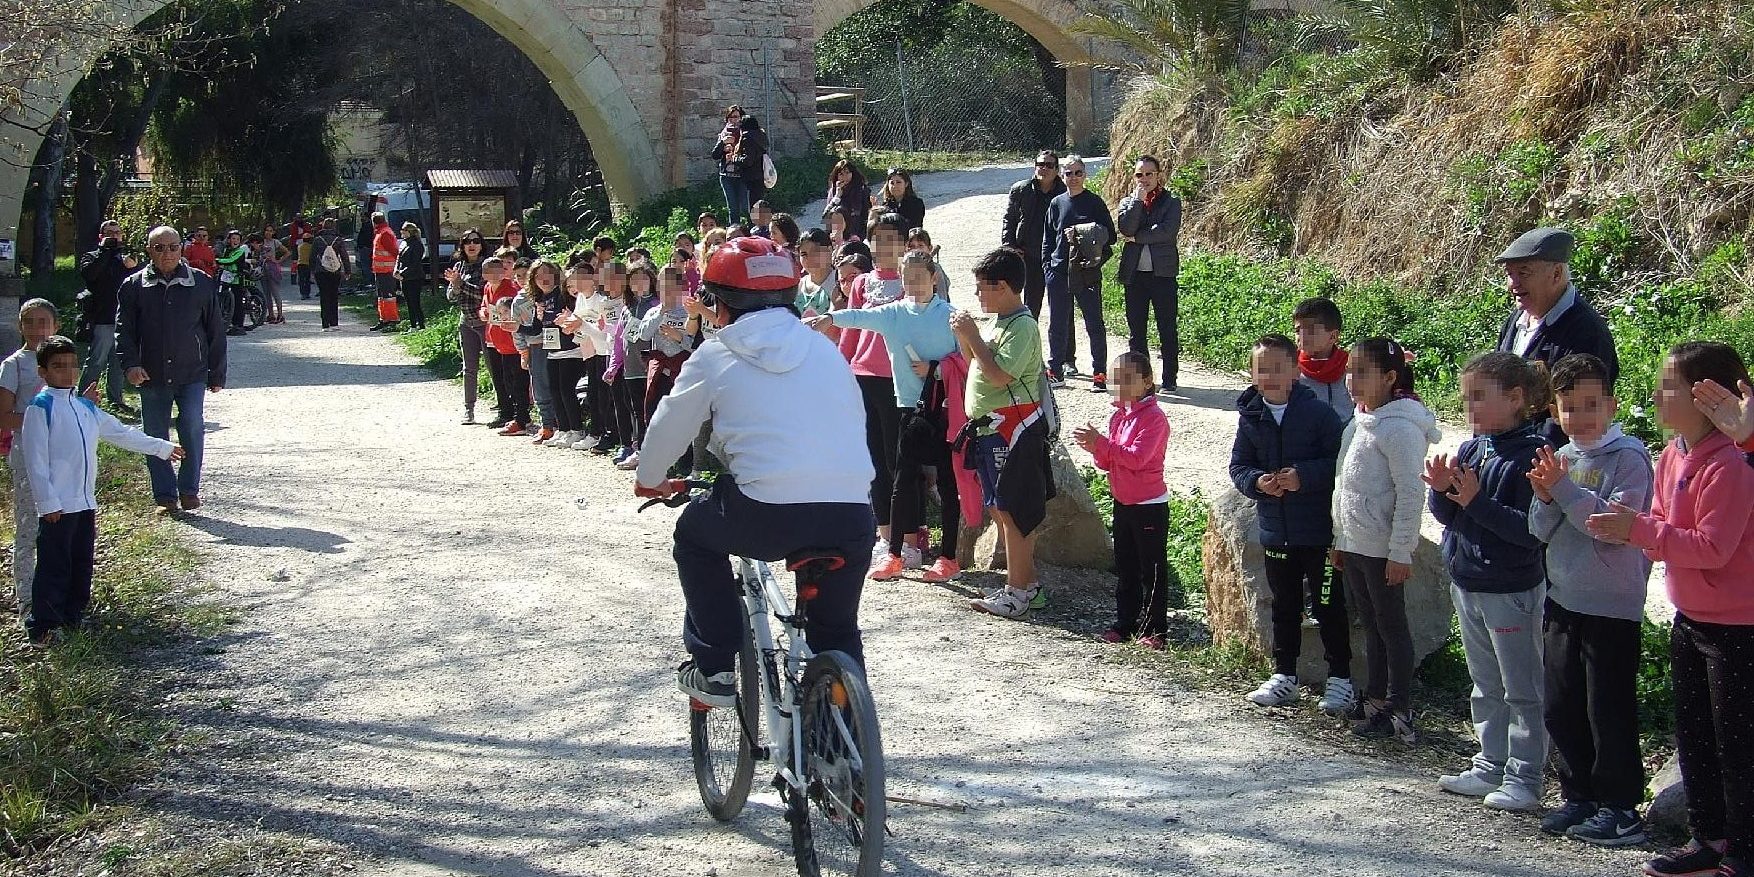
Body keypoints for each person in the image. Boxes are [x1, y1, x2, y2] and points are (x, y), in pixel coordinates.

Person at [633, 235, 876, 707]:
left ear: (719, 305)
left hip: (767, 513)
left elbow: (669, 424)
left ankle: (715, 667)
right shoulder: (826, 350)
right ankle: (845, 739)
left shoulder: (715, 354)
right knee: (836, 629)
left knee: (694, 536)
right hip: (850, 513)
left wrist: (650, 476)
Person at [1586, 343, 1754, 877]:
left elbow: (1712, 547)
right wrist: (1639, 531)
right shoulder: (1672, 454)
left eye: (1669, 386)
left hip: (1738, 628)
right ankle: (1708, 839)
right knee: (1696, 738)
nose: (1656, 395)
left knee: (1738, 746)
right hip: (1690, 618)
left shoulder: (1732, 463)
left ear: (1709, 396)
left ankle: (1745, 852)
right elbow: (1660, 528)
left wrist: (1639, 531)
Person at [1524, 353, 1654, 845]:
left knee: (1608, 710)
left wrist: (1562, 490)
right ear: (1554, 410)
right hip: (1563, 598)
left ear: (1612, 405)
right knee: (1562, 705)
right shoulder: (1561, 458)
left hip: (1611, 606)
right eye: (1569, 407)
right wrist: (1545, 496)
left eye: (1591, 405)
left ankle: (1620, 807)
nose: (1580, 417)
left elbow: (1610, 529)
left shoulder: (1629, 457)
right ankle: (1579, 795)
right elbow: (1539, 530)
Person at [1425, 351, 1552, 807]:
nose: (1469, 407)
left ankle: (1525, 777)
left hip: (1511, 590)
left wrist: (1475, 501)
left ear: (1516, 398)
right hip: (1469, 581)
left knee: (1522, 688)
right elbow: (1450, 518)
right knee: (1485, 683)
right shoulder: (1473, 449)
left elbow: (1529, 533)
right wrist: (1441, 490)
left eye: (1479, 396)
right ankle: (1490, 763)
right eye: (1465, 398)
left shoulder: (1534, 456)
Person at [808, 248, 959, 581]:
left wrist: (935, 369)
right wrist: (829, 319)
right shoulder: (894, 313)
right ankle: (895, 555)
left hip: (944, 409)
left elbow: (968, 360)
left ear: (933, 277)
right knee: (901, 480)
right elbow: (859, 317)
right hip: (907, 407)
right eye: (908, 278)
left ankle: (948, 557)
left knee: (947, 481)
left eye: (919, 277)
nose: (914, 284)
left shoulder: (950, 316)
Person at [20, 337, 182, 644]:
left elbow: (121, 433)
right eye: (58, 367)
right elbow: (35, 461)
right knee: (55, 565)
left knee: (81, 563)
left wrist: (162, 447)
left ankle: (72, 619)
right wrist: (47, 502)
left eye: (72, 366)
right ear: (43, 372)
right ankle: (44, 626)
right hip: (58, 505)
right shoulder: (40, 408)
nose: (67, 372)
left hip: (84, 501)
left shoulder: (84, 407)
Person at [1230, 334, 1352, 711]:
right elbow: (1239, 466)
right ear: (1252, 375)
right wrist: (1258, 483)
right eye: (1261, 370)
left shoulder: (1319, 414)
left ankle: (1341, 679)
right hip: (1276, 532)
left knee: (1328, 604)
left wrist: (1303, 477)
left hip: (1319, 533)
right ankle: (1284, 675)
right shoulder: (1251, 417)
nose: (1269, 377)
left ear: (1295, 371)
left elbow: (1340, 464)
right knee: (1284, 606)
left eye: (1277, 368)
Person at [1331, 337, 1439, 745]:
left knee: (1392, 627)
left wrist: (1400, 551)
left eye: (1362, 373)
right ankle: (1376, 699)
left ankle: (1399, 708)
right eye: (1349, 371)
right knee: (1372, 624)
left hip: (1383, 550)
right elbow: (1343, 484)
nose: (1352, 380)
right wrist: (1340, 537)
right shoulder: (1359, 421)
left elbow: (1411, 493)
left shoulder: (1400, 429)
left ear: (1391, 377)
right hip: (1356, 544)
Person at [959, 247, 1055, 619]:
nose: (977, 294)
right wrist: (966, 337)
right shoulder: (996, 322)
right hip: (988, 430)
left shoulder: (1023, 326)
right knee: (1000, 509)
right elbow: (976, 363)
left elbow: (1001, 375)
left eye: (982, 287)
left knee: (1014, 511)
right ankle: (1027, 586)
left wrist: (972, 335)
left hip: (1013, 431)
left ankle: (1016, 593)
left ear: (1002, 286)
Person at [115, 225, 227, 515]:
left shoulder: (200, 283)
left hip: (192, 371)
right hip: (150, 373)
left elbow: (215, 330)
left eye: (173, 247)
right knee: (155, 434)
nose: (167, 253)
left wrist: (217, 372)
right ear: (149, 251)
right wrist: (130, 365)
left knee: (191, 424)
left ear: (181, 249)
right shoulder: (133, 286)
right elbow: (124, 331)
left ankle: (189, 490)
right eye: (159, 248)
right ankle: (165, 496)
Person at [1077, 351, 1172, 648]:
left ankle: (1155, 629)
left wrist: (1102, 445)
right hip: (1123, 502)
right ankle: (1125, 623)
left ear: (1147, 382)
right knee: (1126, 567)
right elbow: (1109, 462)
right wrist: (1096, 449)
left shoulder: (1154, 418)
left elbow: (1137, 459)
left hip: (1149, 505)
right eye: (1115, 378)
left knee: (1151, 571)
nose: (1119, 384)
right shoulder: (1119, 416)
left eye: (1127, 378)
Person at [1492, 227, 1618, 445]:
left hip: (1550, 458)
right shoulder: (1516, 321)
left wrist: (1528, 453)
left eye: (1523, 273)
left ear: (1556, 274)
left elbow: (1573, 414)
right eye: (1509, 274)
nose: (1513, 284)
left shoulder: (1586, 331)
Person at [834, 213, 907, 562]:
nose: (884, 246)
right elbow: (850, 330)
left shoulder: (912, 280)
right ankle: (885, 533)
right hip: (862, 375)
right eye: (878, 238)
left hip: (900, 378)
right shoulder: (861, 283)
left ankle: (910, 536)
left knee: (899, 459)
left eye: (892, 238)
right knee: (873, 459)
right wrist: (838, 369)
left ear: (904, 243)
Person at [2, 299, 60, 613]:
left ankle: (57, 592)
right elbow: (4, 416)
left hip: (62, 455)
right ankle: (26, 597)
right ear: (20, 326)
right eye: (29, 322)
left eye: (43, 322)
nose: (37, 329)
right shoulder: (13, 365)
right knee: (28, 525)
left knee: (61, 524)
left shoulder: (62, 359)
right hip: (28, 453)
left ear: (55, 326)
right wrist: (38, 419)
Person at [1041, 154, 1115, 388]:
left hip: (1086, 272)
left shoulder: (1094, 203)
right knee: (1057, 324)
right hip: (1059, 272)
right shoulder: (1056, 203)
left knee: (1094, 323)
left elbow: (1110, 237)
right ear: (1062, 176)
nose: (1073, 177)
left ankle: (1099, 373)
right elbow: (1048, 239)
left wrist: (1085, 233)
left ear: (1085, 175)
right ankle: (1056, 370)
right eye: (1069, 173)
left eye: (1078, 173)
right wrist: (1048, 267)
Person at [1115, 155, 1183, 393]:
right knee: (1137, 331)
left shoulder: (1171, 202)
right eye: (1139, 174)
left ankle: (1170, 378)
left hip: (1162, 274)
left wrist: (1137, 237)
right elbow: (1126, 228)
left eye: (1149, 174)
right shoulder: (1128, 202)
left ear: (1158, 175)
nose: (1144, 179)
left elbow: (1166, 232)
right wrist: (1137, 203)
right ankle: (1142, 381)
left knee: (1167, 327)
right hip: (1135, 276)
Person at [77, 220, 137, 412]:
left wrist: (132, 266)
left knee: (118, 363)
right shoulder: (91, 256)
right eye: (109, 233)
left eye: (117, 233)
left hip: (123, 318)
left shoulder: (126, 258)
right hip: (102, 317)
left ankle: (116, 400)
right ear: (101, 236)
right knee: (96, 361)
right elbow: (90, 275)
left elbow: (137, 283)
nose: (114, 236)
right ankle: (83, 399)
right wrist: (105, 251)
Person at [1001, 150, 1066, 319]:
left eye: (1049, 165)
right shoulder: (1021, 190)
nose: (1044, 168)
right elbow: (1009, 219)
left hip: (1057, 256)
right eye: (1040, 164)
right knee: (1031, 304)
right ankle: (1028, 334)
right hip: (1029, 255)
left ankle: (1063, 338)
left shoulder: (1065, 192)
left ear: (1057, 170)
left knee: (1061, 306)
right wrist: (1009, 246)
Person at [540, 262, 590, 448]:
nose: (572, 289)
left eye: (574, 285)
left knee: (567, 391)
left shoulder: (578, 301)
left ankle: (576, 429)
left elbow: (561, 319)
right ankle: (563, 428)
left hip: (573, 351)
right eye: (568, 286)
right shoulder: (551, 298)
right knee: (555, 391)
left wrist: (550, 317)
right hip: (553, 351)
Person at [481, 250, 529, 435]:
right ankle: (507, 413)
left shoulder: (512, 289)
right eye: (488, 271)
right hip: (495, 339)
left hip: (513, 342)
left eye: (497, 270)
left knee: (518, 382)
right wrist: (482, 312)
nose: (493, 275)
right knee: (502, 380)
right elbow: (484, 306)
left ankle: (521, 417)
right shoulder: (487, 287)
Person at [443, 230, 488, 423]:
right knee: (469, 369)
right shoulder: (458, 266)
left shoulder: (487, 266)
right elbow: (450, 297)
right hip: (466, 322)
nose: (472, 245)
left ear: (481, 245)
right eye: (467, 242)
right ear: (462, 246)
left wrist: (461, 285)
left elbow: (483, 294)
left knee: (494, 367)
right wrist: (455, 286)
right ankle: (469, 409)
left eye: (476, 241)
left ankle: (505, 408)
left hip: (485, 323)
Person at [514, 260, 557, 445]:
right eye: (538, 276)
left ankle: (564, 425)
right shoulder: (534, 299)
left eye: (547, 273)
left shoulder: (563, 295)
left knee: (560, 387)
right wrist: (517, 329)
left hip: (564, 347)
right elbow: (534, 328)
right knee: (540, 387)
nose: (543, 278)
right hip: (538, 345)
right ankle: (547, 425)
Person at [1293, 297, 1353, 421]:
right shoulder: (1290, 369)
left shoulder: (1351, 367)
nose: (1302, 336)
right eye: (1298, 331)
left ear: (1333, 336)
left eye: (1310, 330)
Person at [311, 218, 352, 331]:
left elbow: (312, 256)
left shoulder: (317, 240)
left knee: (324, 296)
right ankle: (334, 323)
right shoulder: (338, 239)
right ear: (334, 226)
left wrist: (312, 271)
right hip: (335, 270)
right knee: (334, 296)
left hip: (321, 270)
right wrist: (347, 271)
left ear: (323, 226)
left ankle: (325, 324)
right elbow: (344, 256)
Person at [710, 105, 749, 223]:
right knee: (733, 208)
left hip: (742, 175)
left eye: (736, 117)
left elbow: (750, 155)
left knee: (746, 207)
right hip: (727, 176)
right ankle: (735, 231)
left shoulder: (746, 134)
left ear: (741, 118)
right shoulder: (724, 134)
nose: (733, 120)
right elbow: (715, 155)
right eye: (730, 117)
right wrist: (723, 143)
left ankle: (750, 230)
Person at [824, 160, 871, 245]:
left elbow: (866, 216)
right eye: (841, 174)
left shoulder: (861, 190)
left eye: (847, 173)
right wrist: (837, 196)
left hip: (857, 235)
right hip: (837, 236)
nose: (845, 176)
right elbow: (826, 217)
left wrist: (861, 236)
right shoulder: (834, 191)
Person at [366, 212, 400, 332]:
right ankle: (384, 319)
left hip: (387, 270)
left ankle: (392, 319)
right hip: (381, 270)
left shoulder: (384, 233)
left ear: (373, 221)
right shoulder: (381, 232)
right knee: (381, 296)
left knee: (388, 296)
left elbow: (394, 251)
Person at [794, 228, 834, 316]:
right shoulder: (797, 286)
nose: (810, 259)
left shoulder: (841, 283)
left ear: (829, 250)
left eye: (815, 252)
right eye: (804, 254)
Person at [734, 115, 771, 207]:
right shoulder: (761, 136)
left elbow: (748, 160)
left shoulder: (747, 138)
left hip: (750, 177)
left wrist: (735, 159)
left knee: (752, 207)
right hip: (760, 175)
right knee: (758, 205)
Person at [905, 228, 951, 301]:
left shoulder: (935, 269)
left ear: (930, 248)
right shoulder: (904, 268)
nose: (916, 250)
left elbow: (942, 295)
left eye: (920, 246)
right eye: (912, 246)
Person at [396, 222, 427, 330]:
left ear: (410, 232)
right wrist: (396, 270)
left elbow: (415, 263)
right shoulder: (403, 243)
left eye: (403, 230)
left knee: (415, 302)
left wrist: (402, 273)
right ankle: (413, 325)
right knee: (408, 302)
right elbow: (399, 258)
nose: (401, 232)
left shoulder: (417, 244)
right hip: (404, 278)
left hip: (415, 277)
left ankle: (421, 325)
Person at [258, 228, 289, 324]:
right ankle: (270, 315)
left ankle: (280, 314)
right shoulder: (260, 242)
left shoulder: (275, 242)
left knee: (275, 293)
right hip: (263, 268)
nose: (268, 232)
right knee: (266, 293)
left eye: (270, 231)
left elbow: (287, 252)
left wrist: (278, 261)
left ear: (273, 232)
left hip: (272, 268)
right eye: (266, 230)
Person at [295, 229, 314, 300]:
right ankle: (307, 293)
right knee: (307, 279)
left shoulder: (299, 246)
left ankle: (302, 294)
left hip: (300, 264)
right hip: (308, 264)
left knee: (301, 279)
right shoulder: (311, 247)